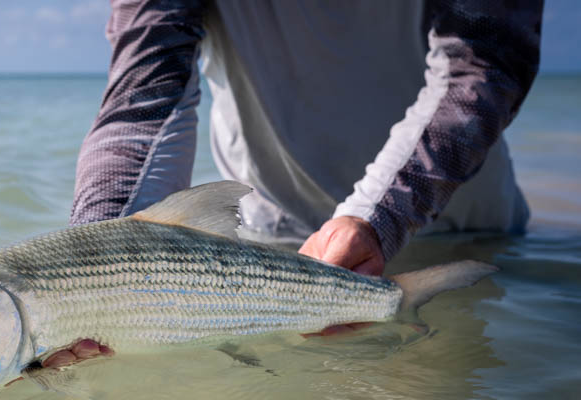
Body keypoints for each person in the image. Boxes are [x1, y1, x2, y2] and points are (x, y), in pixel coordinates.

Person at [71, 0, 542, 278]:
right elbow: (146, 100)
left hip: (464, 237)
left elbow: (482, 68)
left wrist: (381, 217)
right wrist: (94, 265)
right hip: (274, 247)